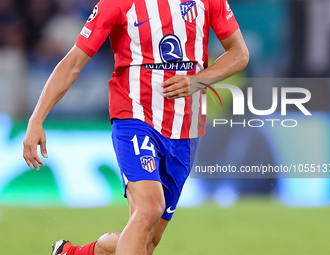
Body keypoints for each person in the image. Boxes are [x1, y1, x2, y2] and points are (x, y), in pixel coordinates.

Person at [23, 0, 249, 254]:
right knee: (150, 208)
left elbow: (239, 53)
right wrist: (37, 118)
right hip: (135, 118)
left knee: (147, 240)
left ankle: (71, 253)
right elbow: (74, 61)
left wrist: (198, 80)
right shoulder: (118, 3)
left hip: (185, 130)